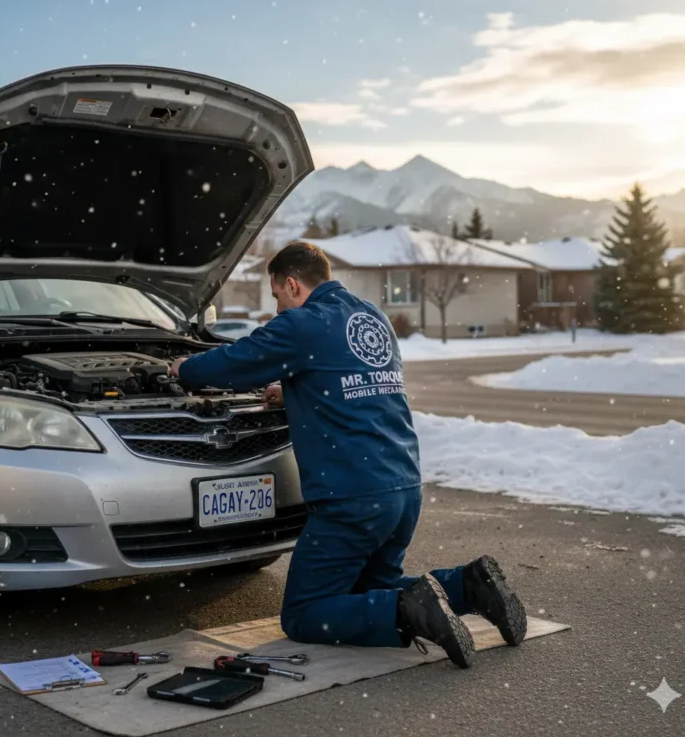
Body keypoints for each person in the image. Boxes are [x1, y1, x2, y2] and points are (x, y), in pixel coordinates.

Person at [171, 241, 526, 668]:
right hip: (402, 488)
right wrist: (294, 391)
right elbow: (352, 379)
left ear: (291, 283)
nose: (279, 306)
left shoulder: (304, 323)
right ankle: (471, 587)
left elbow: (234, 362)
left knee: (304, 614)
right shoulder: (369, 316)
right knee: (367, 594)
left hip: (352, 498)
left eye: (278, 296)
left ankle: (408, 613)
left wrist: (183, 369)